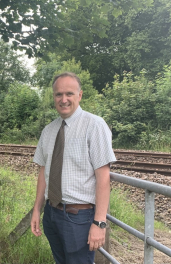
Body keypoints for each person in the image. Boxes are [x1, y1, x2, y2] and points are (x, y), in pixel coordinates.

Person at [30, 72, 116, 264]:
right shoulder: (49, 130)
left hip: (79, 218)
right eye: (58, 94)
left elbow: (103, 177)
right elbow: (43, 172)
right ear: (53, 97)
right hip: (51, 215)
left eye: (69, 93)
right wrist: (37, 210)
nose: (64, 99)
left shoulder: (95, 125)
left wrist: (99, 222)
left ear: (80, 95)